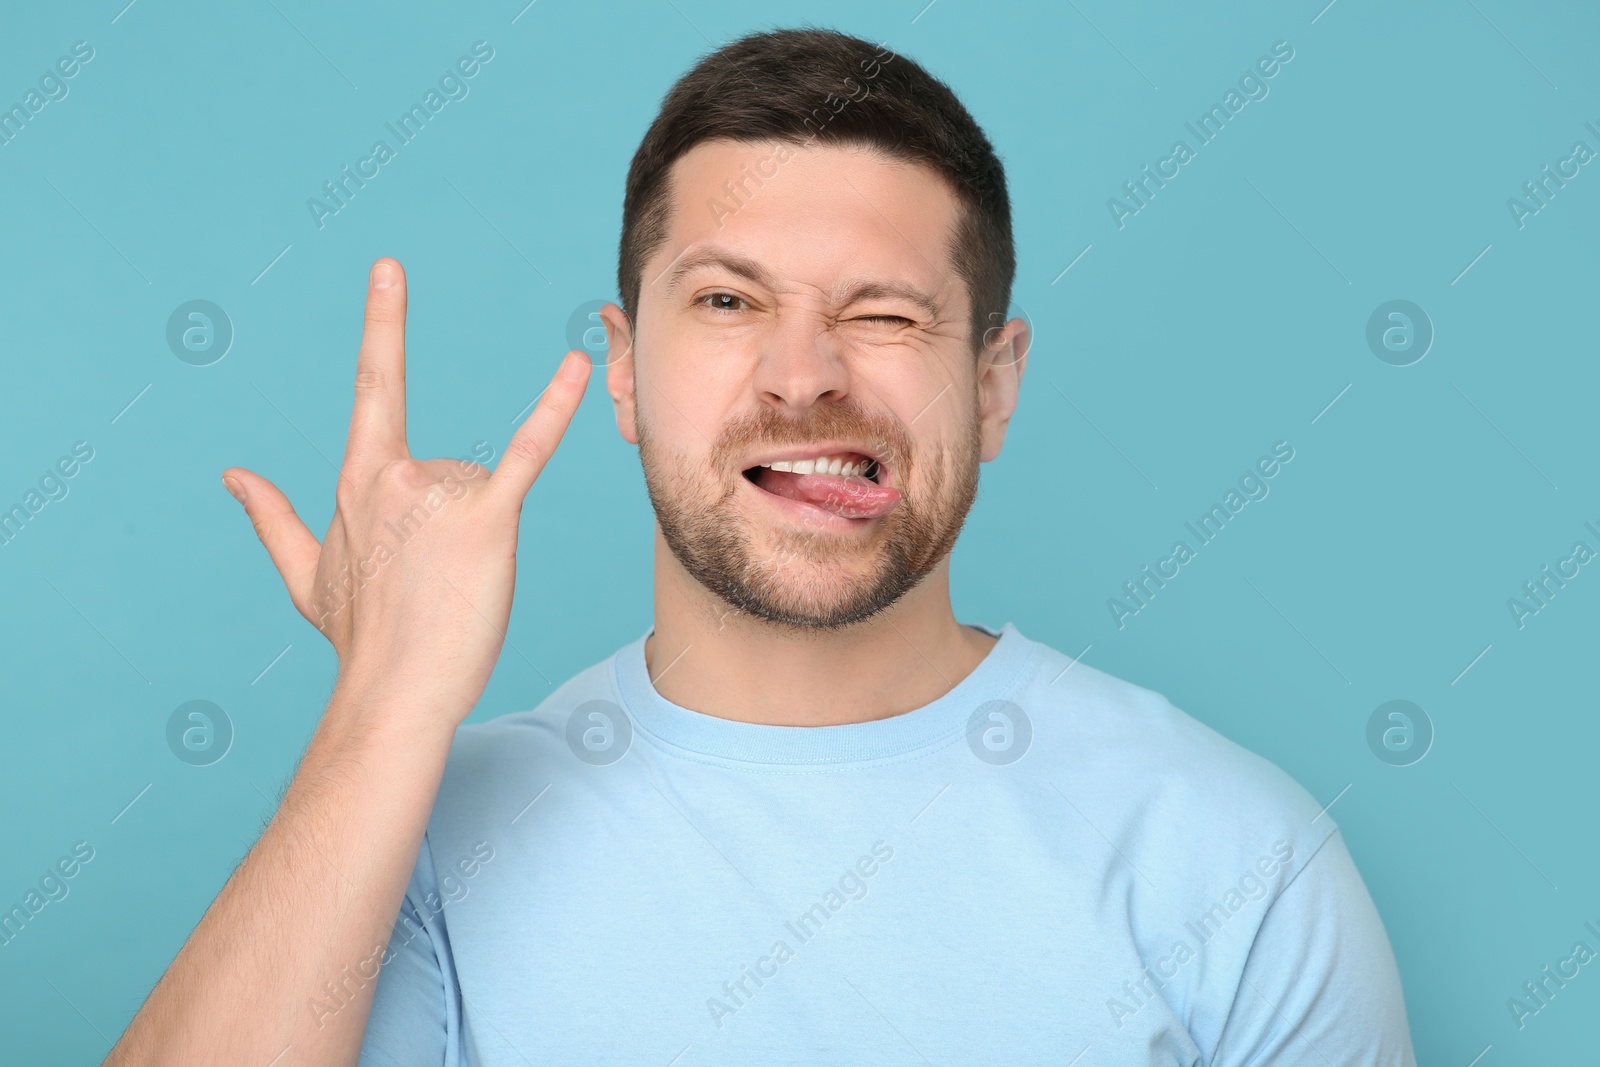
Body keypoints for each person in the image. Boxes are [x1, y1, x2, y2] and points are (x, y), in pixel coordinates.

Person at [108, 26, 1415, 1067]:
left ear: (995, 385)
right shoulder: (428, 843)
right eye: (729, 302)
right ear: (625, 372)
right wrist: (384, 705)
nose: (803, 377)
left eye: (887, 314)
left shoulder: (1237, 862)